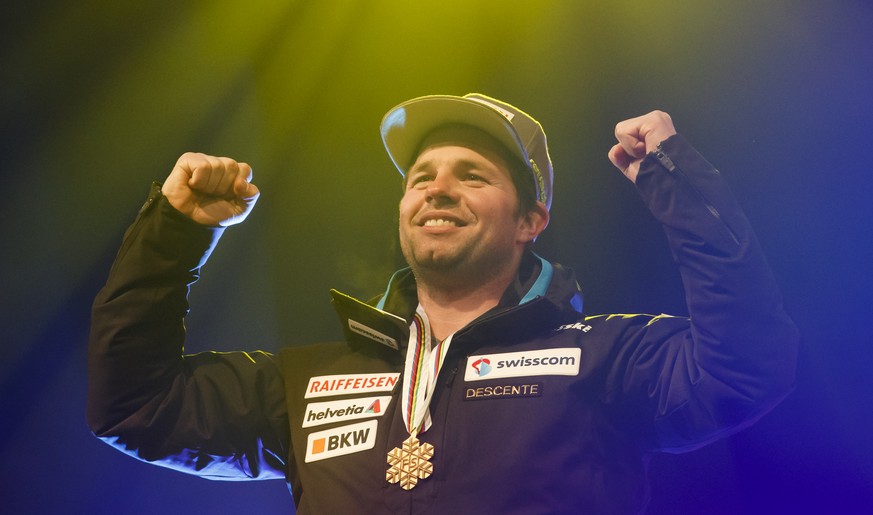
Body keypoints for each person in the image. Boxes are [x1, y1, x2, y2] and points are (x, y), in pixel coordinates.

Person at [87, 93, 798, 514]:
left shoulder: (604, 356)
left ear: (530, 219)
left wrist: (675, 181)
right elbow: (136, 406)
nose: (437, 188)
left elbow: (745, 366)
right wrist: (174, 231)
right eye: (420, 175)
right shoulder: (305, 381)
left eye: (472, 174)